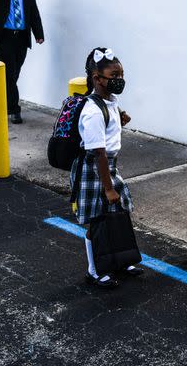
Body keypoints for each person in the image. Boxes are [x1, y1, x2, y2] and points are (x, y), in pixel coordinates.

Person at [71, 47, 140, 288]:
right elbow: (98, 152)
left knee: (119, 212)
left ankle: (121, 260)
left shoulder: (110, 101)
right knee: (98, 220)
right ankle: (94, 270)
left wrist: (118, 119)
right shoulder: (91, 111)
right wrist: (108, 188)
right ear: (97, 79)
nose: (119, 80)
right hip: (94, 169)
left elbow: (108, 130)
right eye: (114, 76)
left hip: (108, 165)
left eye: (121, 75)